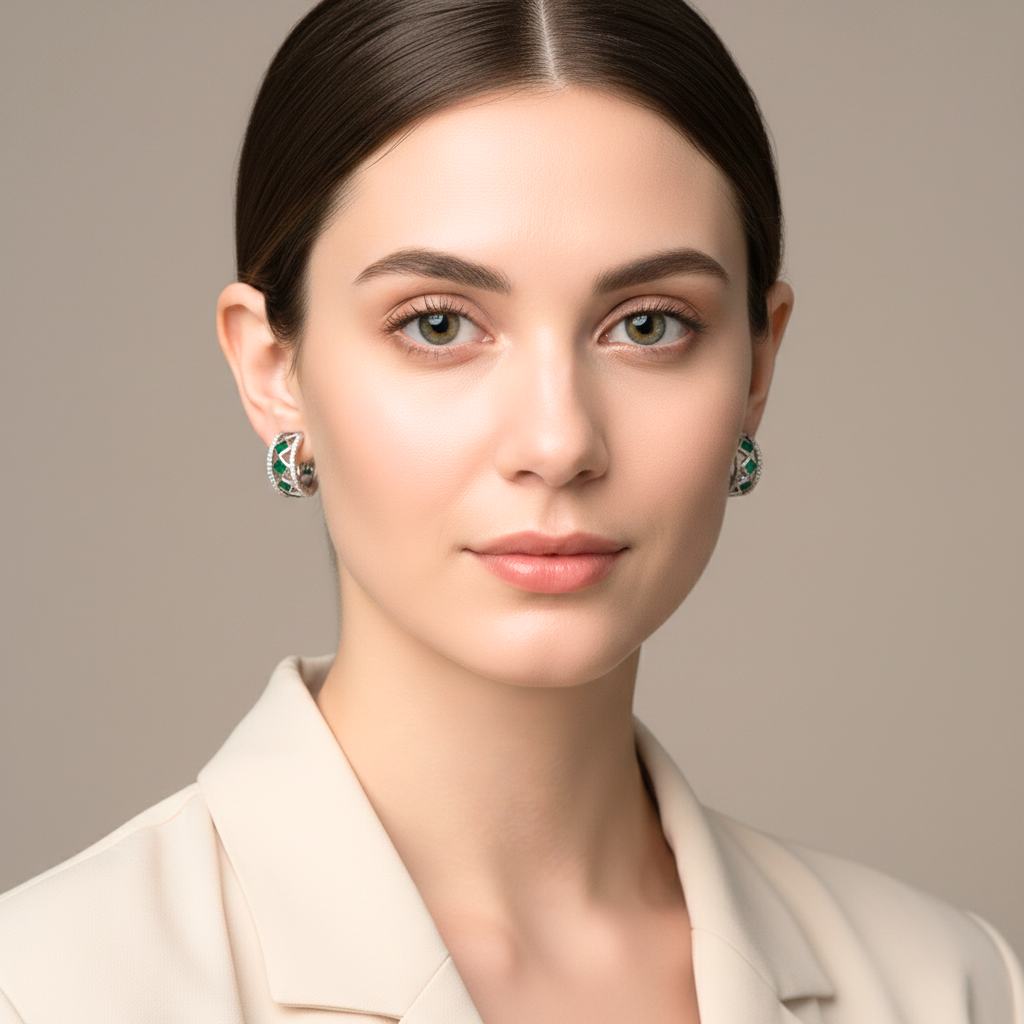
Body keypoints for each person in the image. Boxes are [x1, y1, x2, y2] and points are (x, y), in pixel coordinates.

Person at [0, 0, 1020, 1021]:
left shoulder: (948, 984)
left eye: (649, 324)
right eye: (438, 324)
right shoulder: (49, 983)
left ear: (757, 366)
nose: (557, 441)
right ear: (274, 370)